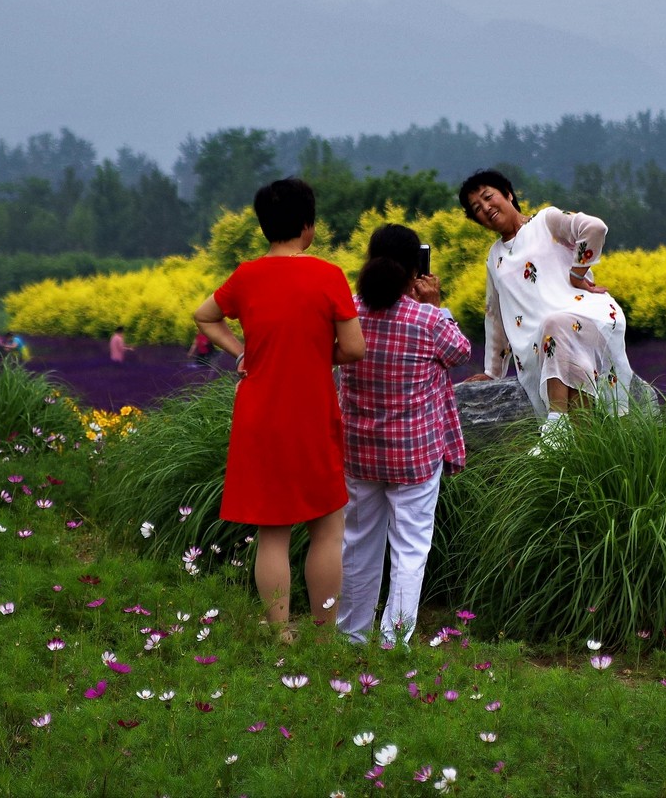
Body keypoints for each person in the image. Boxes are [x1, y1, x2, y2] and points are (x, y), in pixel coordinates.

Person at [192, 178, 365, 640]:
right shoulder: (327, 276)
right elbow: (353, 348)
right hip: (310, 411)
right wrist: (311, 352)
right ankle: (324, 634)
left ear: (264, 226)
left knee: (273, 533)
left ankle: (279, 634)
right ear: (308, 226)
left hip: (260, 413)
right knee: (327, 526)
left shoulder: (245, 276)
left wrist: (242, 351)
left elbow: (204, 315)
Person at [337, 224, 470, 646]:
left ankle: (351, 634)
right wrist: (436, 304)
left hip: (357, 449)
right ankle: (396, 640)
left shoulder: (348, 313)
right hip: (413, 453)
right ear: (416, 269)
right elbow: (461, 353)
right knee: (411, 547)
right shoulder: (427, 319)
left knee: (357, 543)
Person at [457, 169, 636, 434]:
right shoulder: (495, 258)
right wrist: (492, 372)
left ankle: (555, 428)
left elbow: (594, 228)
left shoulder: (546, 221)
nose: (485, 207)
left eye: (488, 197)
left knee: (556, 323)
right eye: (477, 208)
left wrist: (577, 274)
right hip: (539, 343)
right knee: (561, 346)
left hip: (585, 317)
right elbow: (495, 315)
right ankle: (582, 453)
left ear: (508, 194)